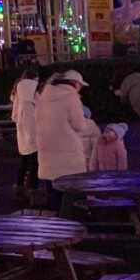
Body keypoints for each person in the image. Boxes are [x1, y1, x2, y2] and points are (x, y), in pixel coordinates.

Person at [35, 70, 98, 210]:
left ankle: (57, 226)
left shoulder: (43, 95)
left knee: (53, 196)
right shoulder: (71, 97)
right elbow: (79, 125)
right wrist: (90, 125)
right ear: (75, 84)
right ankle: (75, 224)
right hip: (68, 154)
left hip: (47, 151)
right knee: (72, 195)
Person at [10, 65, 40, 204]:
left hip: (22, 137)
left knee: (24, 164)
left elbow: (15, 116)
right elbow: (30, 124)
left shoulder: (19, 96)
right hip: (32, 138)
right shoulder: (30, 102)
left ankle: (20, 189)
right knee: (33, 165)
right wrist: (33, 139)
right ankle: (33, 192)